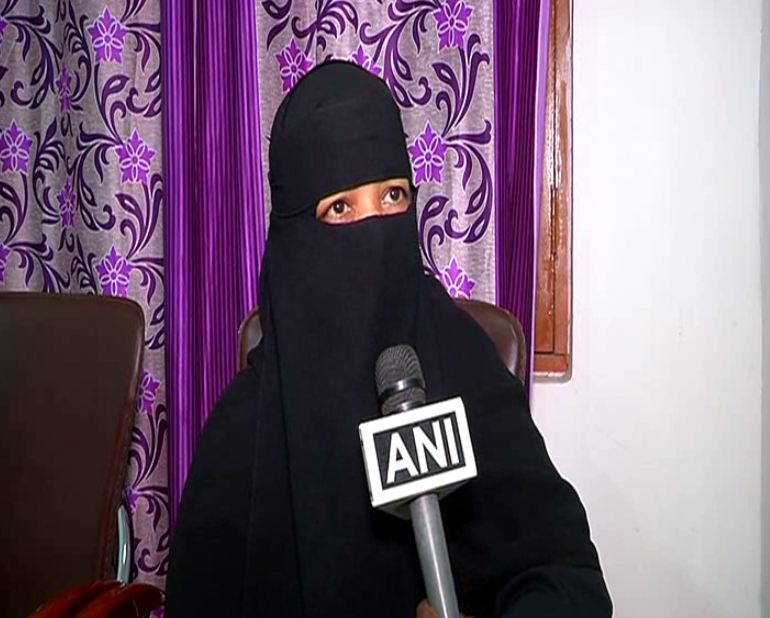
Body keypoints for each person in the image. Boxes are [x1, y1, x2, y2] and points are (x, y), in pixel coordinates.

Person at [165, 60, 612, 618]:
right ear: (294, 234)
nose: (375, 232)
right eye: (341, 207)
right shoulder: (243, 437)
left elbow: (564, 574)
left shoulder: (462, 367)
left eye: (393, 196)